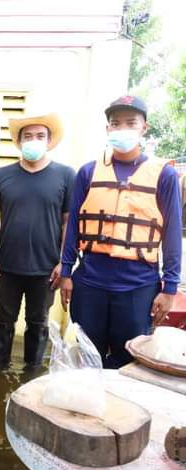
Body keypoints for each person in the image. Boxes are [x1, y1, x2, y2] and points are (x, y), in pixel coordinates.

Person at [60, 96, 182, 368]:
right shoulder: (88, 172)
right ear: (107, 129)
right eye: (115, 123)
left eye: (131, 122)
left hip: (138, 287)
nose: (122, 129)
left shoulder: (164, 176)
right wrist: (66, 271)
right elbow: (74, 226)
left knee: (128, 360)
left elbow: (172, 236)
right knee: (87, 356)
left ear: (144, 127)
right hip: (90, 282)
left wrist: (170, 288)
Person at [0, 112, 75, 370]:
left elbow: (69, 222)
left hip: (46, 269)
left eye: (40, 136)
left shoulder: (66, 175)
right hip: (5, 267)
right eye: (28, 136)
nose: (34, 140)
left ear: (49, 141)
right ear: (19, 142)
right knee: (3, 320)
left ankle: (32, 374)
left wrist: (64, 263)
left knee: (38, 322)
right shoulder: (0, 177)